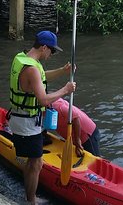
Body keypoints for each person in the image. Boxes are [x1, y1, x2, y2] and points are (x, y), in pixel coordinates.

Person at [9, 30, 76, 204]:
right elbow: (43, 99)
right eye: (52, 51)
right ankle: (31, 200)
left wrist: (63, 71)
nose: (51, 54)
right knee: (36, 163)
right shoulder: (31, 68)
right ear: (44, 47)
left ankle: (29, 196)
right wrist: (65, 90)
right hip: (26, 123)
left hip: (23, 119)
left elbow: (41, 78)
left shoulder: (23, 58)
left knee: (34, 162)